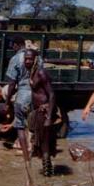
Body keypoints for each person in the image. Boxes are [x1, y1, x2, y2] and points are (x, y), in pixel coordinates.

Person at [26, 49, 58, 177]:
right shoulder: (32, 72)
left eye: (30, 59)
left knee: (44, 143)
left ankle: (47, 174)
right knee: (40, 143)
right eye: (26, 59)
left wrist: (49, 117)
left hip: (44, 112)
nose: (28, 61)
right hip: (38, 111)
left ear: (36, 59)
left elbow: (52, 94)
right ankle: (47, 171)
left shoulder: (41, 72)